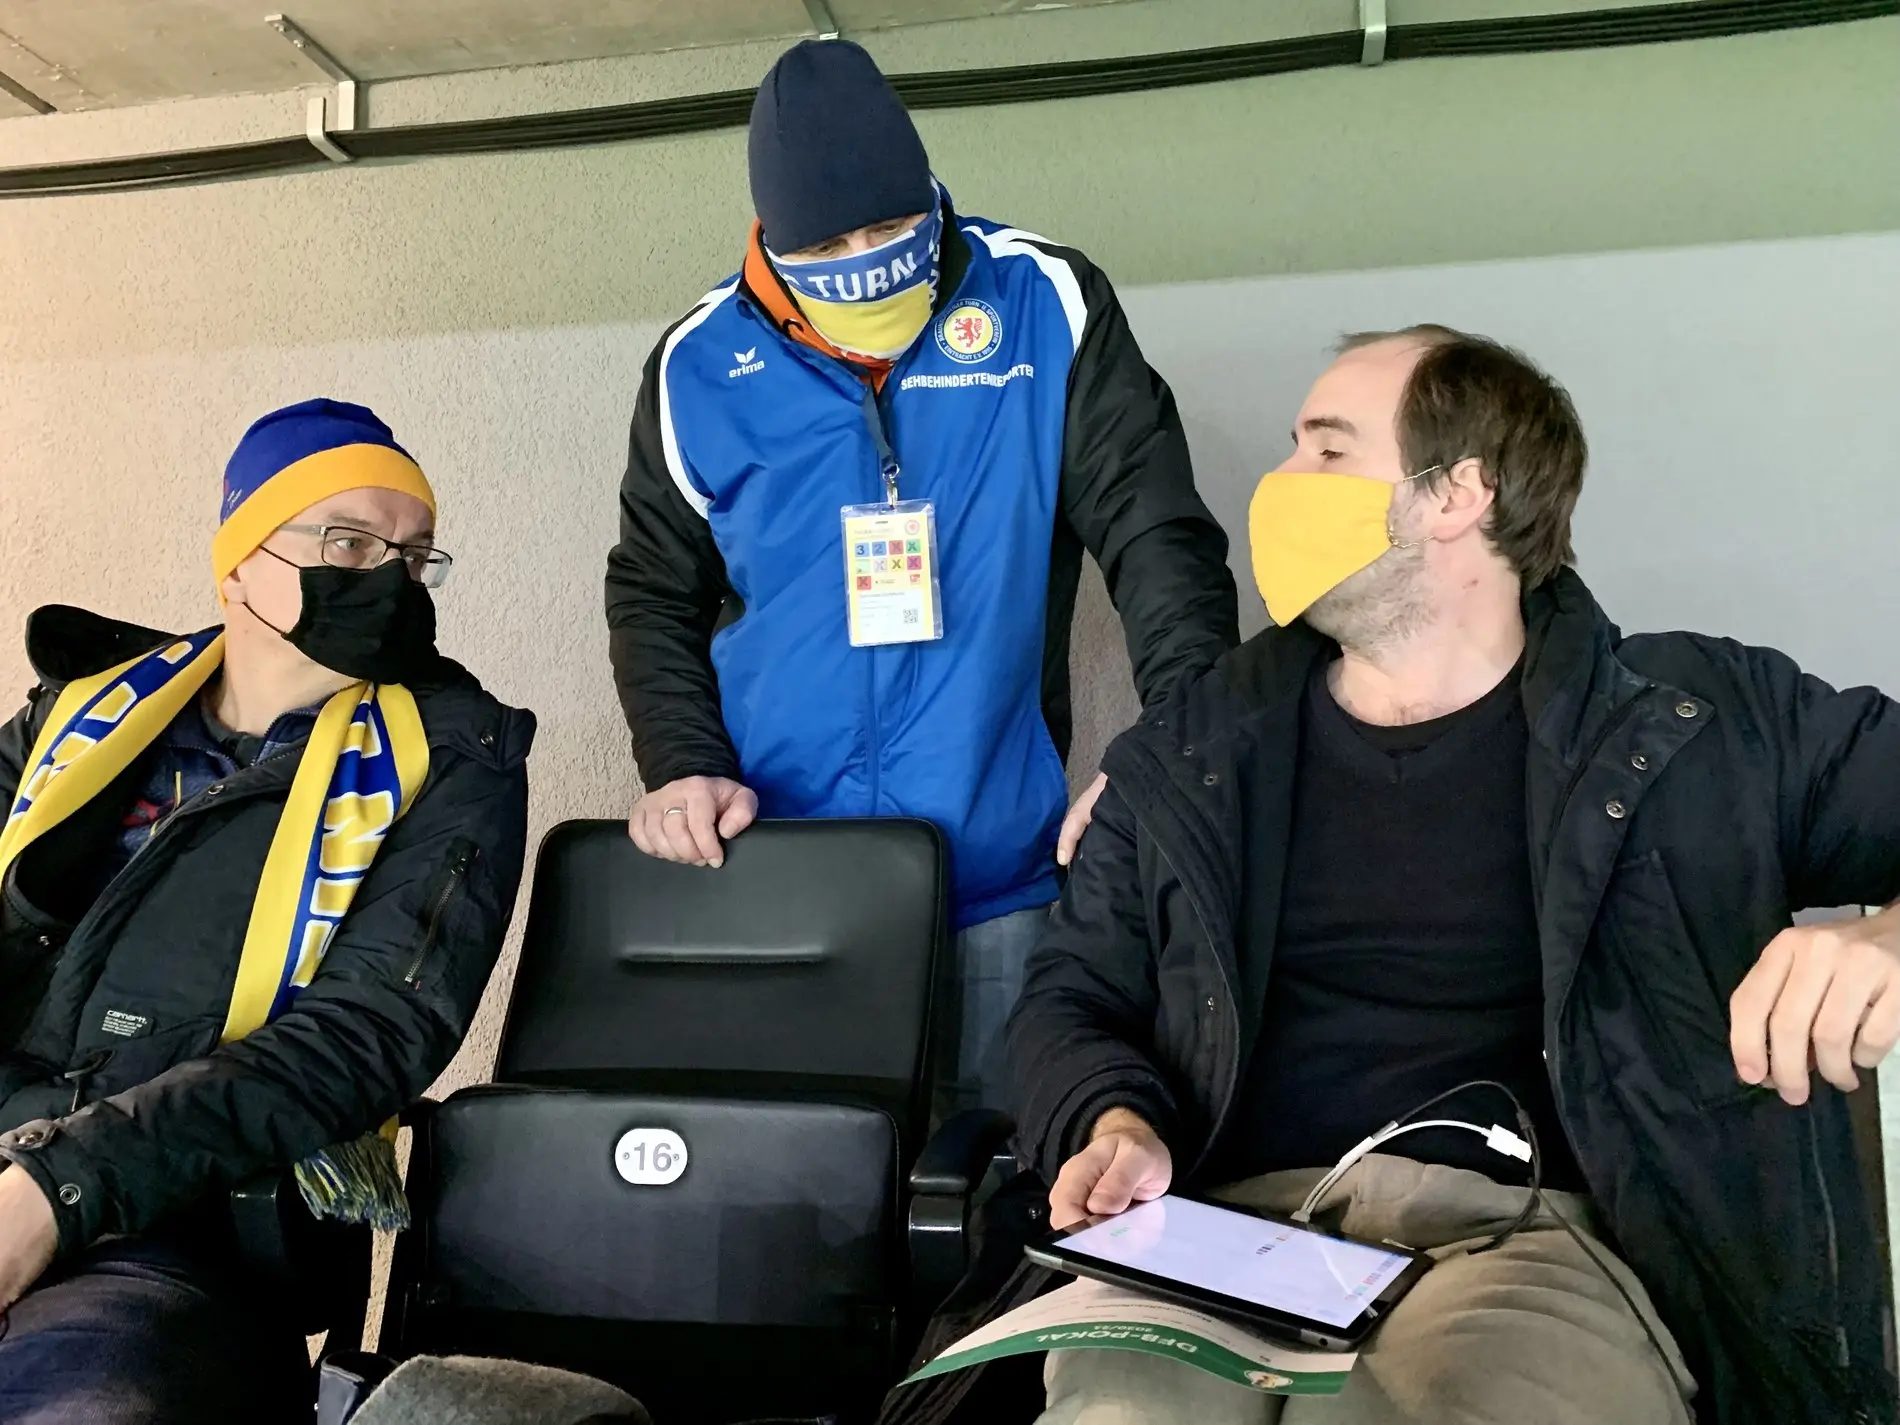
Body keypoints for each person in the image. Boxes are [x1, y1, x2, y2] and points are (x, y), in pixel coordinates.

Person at [1003, 327, 1900, 1425]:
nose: (1277, 486)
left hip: (1520, 1243)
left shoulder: (1703, 723)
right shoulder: (1189, 750)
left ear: (1457, 493)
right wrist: (1112, 1123)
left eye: (1324, 453)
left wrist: (1888, 938)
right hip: (1221, 1237)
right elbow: (1071, 995)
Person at [605, 39, 1237, 1111]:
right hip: (784, 878)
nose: (865, 256)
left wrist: (1175, 750)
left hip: (999, 873)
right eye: (831, 244)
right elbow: (653, 590)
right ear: (771, 238)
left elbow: (1157, 536)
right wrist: (682, 761)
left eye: (892, 229)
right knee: (805, 1204)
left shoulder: (1044, 302)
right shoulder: (699, 363)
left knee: (1002, 1191)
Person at [0, 399, 535, 1422]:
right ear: (240, 559)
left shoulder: (452, 759)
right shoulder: (74, 717)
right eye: (347, 540)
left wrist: (55, 1191)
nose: (386, 575)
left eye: (414, 554)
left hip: (168, 1241)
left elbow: (364, 1036)